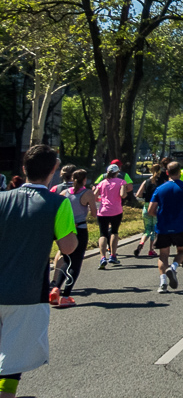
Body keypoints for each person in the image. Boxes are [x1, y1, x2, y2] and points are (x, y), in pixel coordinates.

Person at [0, 145, 79, 398]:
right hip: (27, 293)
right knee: (12, 359)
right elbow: (68, 246)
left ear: (23, 168)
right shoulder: (58, 203)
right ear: (54, 170)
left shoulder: (1, 199)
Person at [148, 161, 183, 294]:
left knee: (163, 254)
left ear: (167, 173)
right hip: (180, 225)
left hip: (163, 226)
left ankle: (163, 283)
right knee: (182, 251)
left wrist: (159, 216)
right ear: (180, 172)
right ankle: (174, 267)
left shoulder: (160, 189)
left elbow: (150, 210)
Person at [49, 169, 94, 308]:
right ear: (84, 180)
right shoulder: (87, 193)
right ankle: (66, 296)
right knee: (76, 262)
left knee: (66, 259)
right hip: (80, 228)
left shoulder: (64, 193)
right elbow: (94, 213)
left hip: (66, 229)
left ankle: (56, 288)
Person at [94, 165, 128, 268]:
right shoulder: (121, 182)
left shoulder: (102, 183)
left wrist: (102, 199)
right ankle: (113, 255)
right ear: (117, 172)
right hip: (116, 210)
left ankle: (102, 257)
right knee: (114, 231)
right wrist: (124, 192)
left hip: (103, 211)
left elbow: (95, 196)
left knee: (103, 234)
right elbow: (123, 195)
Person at [133, 164, 167, 258]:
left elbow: (138, 194)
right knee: (155, 229)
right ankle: (151, 249)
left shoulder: (146, 181)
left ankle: (141, 242)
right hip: (157, 207)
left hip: (147, 207)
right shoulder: (162, 182)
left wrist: (146, 195)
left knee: (147, 229)